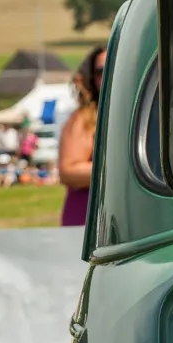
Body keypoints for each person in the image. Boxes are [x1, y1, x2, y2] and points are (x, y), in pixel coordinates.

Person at [57, 45, 107, 225]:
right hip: (86, 221)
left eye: (115, 66)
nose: (110, 74)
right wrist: (121, 171)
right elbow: (68, 171)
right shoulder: (84, 119)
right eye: (102, 71)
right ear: (92, 79)